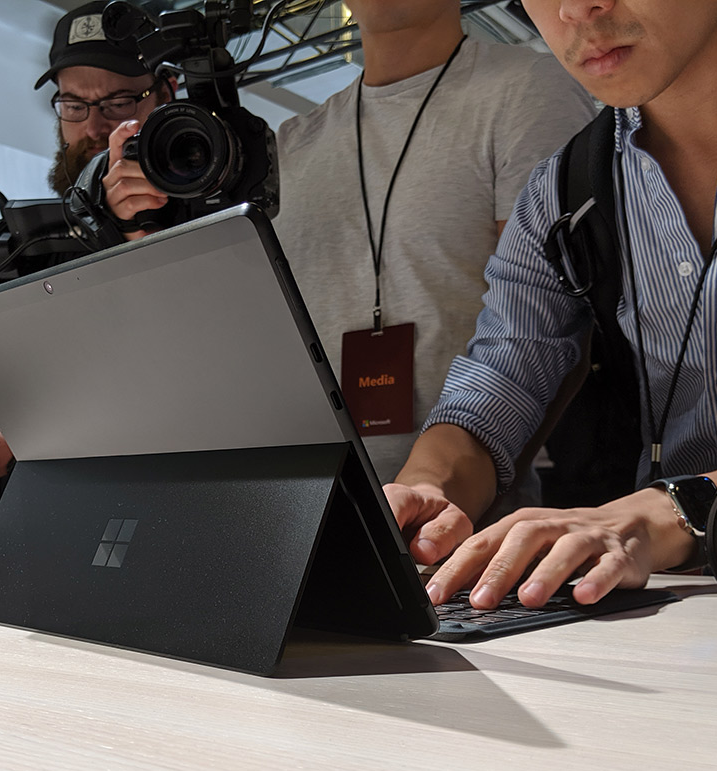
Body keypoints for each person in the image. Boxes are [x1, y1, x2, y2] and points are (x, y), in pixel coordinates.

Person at [385, 0, 717, 610]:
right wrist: (425, 494)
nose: (575, 9)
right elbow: (502, 376)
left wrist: (675, 510)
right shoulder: (564, 191)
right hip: (692, 609)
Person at [102, 0, 597, 487]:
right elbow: (231, 337)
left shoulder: (530, 89)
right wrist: (144, 228)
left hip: (457, 509)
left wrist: (476, 496)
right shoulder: (291, 142)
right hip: (306, 496)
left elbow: (550, 326)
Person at [0, 1, 174, 507]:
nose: (93, 127)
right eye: (74, 105)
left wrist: (8, 451)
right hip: (61, 517)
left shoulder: (213, 222)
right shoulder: (34, 245)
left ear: (165, 95)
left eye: (118, 102)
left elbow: (179, 398)